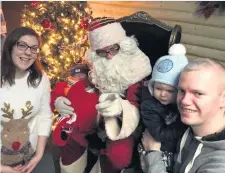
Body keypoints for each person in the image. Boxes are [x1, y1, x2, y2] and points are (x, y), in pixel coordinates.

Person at [53, 17, 152, 173]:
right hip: (96, 112)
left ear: (124, 46)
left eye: (113, 49)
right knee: (71, 134)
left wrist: (121, 108)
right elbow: (77, 86)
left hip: (123, 121)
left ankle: (102, 167)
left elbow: (139, 104)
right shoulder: (97, 68)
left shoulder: (136, 69)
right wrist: (59, 98)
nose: (109, 56)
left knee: (119, 156)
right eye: (102, 52)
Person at [142, 58, 225, 173]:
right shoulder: (187, 125)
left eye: (198, 93)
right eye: (181, 91)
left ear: (223, 99)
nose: (184, 101)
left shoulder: (220, 165)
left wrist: (153, 154)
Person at [0, 27, 55, 173]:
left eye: (34, 48)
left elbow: (45, 116)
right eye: (22, 45)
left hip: (32, 155)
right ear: (10, 46)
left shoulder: (41, 79)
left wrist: (39, 154)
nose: (28, 52)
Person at [140, 44, 188, 172]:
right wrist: (183, 126)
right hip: (155, 149)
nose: (162, 94)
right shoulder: (149, 106)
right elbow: (158, 134)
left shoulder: (181, 104)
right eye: (158, 88)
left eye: (170, 91)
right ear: (152, 86)